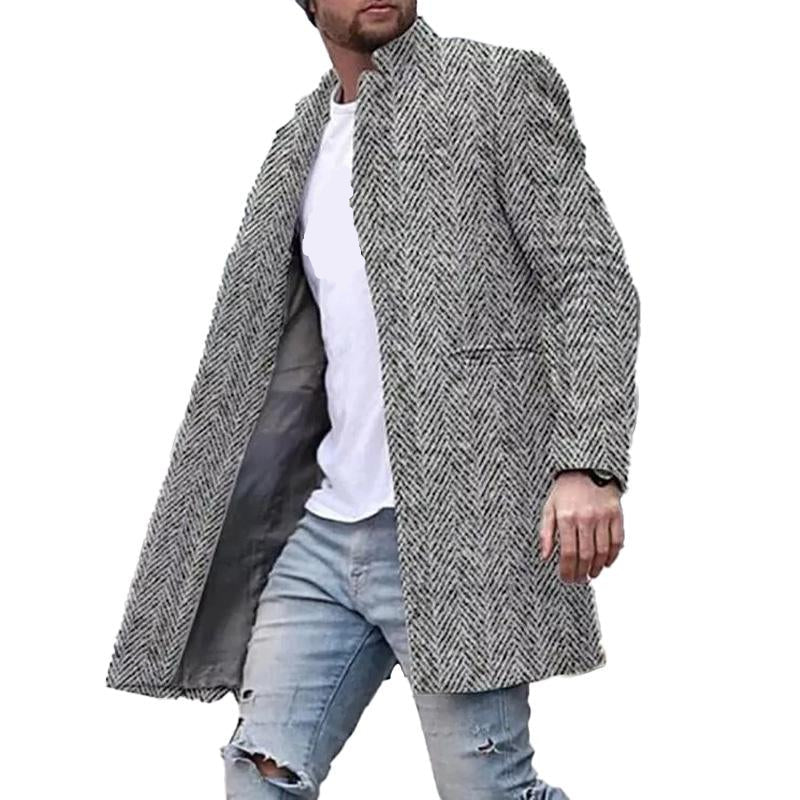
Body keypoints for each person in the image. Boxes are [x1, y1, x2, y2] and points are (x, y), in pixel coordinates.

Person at [106, 3, 641, 798]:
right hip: (326, 535)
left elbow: (589, 278)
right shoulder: (297, 141)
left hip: (462, 526)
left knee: (487, 790)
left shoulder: (494, 87)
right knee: (260, 775)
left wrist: (588, 462)